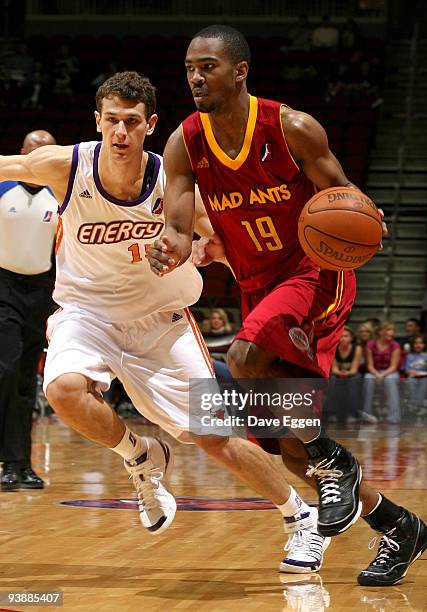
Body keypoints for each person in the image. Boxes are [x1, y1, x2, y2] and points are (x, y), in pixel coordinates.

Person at [0, 71, 327, 575]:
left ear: (150, 124)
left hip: (160, 322)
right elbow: (11, 163)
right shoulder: (67, 167)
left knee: (215, 438)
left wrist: (208, 249)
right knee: (64, 390)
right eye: (111, 121)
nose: (120, 133)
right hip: (88, 315)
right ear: (97, 121)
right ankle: (141, 456)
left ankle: (299, 516)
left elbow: (222, 241)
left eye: (132, 122)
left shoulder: (175, 185)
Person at [148, 25, 427, 586]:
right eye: (189, 68)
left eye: (207, 66)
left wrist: (365, 223)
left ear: (240, 71)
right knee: (292, 451)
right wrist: (171, 245)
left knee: (247, 358)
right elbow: (179, 226)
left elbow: (344, 196)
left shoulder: (292, 127)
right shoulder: (186, 141)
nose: (196, 77)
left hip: (314, 274)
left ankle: (337, 463)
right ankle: (400, 526)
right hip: (256, 284)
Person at [0, 130, 58, 491]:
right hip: (2, 286)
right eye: (34, 152)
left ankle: (20, 463)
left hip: (40, 292)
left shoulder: (61, 197)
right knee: (4, 369)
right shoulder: (3, 186)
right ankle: (9, 458)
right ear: (21, 154)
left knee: (25, 380)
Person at [362, 320, 401, 424]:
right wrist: (376, 374)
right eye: (388, 329)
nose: (391, 332)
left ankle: (394, 417)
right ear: (380, 332)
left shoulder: (395, 345)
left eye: (393, 330)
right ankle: (367, 414)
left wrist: (382, 375)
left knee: (390, 379)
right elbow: (369, 365)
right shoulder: (371, 344)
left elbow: (393, 367)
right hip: (374, 371)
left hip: (390, 372)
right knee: (368, 378)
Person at [328, 326, 362, 425]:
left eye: (346, 336)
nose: (343, 338)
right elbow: (334, 369)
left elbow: (354, 370)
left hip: (351, 374)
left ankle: (352, 414)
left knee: (353, 381)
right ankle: (332, 414)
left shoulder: (357, 348)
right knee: (333, 380)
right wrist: (341, 373)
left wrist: (346, 373)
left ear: (351, 338)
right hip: (337, 374)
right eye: (341, 336)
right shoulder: (333, 348)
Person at [404, 334, 427, 406]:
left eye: (421, 343)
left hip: (426, 376)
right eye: (416, 343)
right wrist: (411, 372)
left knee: (424, 382)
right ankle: (413, 403)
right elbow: (406, 370)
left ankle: (419, 403)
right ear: (412, 345)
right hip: (413, 376)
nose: (418, 345)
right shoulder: (410, 356)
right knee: (410, 381)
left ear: (425, 344)